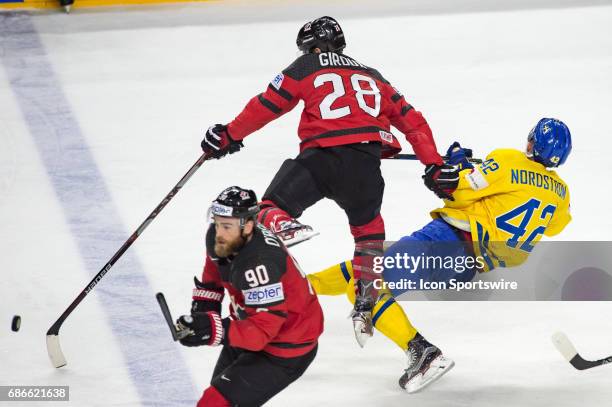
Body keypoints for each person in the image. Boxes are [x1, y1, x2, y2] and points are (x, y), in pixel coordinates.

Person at [199, 16, 458, 347]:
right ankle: (365, 301)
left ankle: (284, 225)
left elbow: (269, 104)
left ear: (315, 46)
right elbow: (413, 122)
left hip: (321, 158)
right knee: (368, 233)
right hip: (365, 165)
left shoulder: (307, 65)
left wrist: (229, 135)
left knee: (267, 208)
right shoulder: (374, 76)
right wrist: (433, 164)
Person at [307, 118, 572, 392]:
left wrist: (458, 167)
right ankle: (302, 287)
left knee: (364, 289)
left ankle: (423, 353)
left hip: (446, 240)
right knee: (368, 271)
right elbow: (555, 225)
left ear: (532, 141)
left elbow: (455, 193)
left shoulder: (508, 160)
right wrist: (479, 174)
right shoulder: (561, 193)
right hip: (467, 266)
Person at [176, 186, 324, 407]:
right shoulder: (222, 239)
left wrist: (212, 329)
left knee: (214, 403)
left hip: (286, 347)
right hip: (251, 324)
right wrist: (200, 320)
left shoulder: (259, 262)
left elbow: (262, 333)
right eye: (216, 223)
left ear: (248, 226)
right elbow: (212, 278)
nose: (219, 233)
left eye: (226, 226)